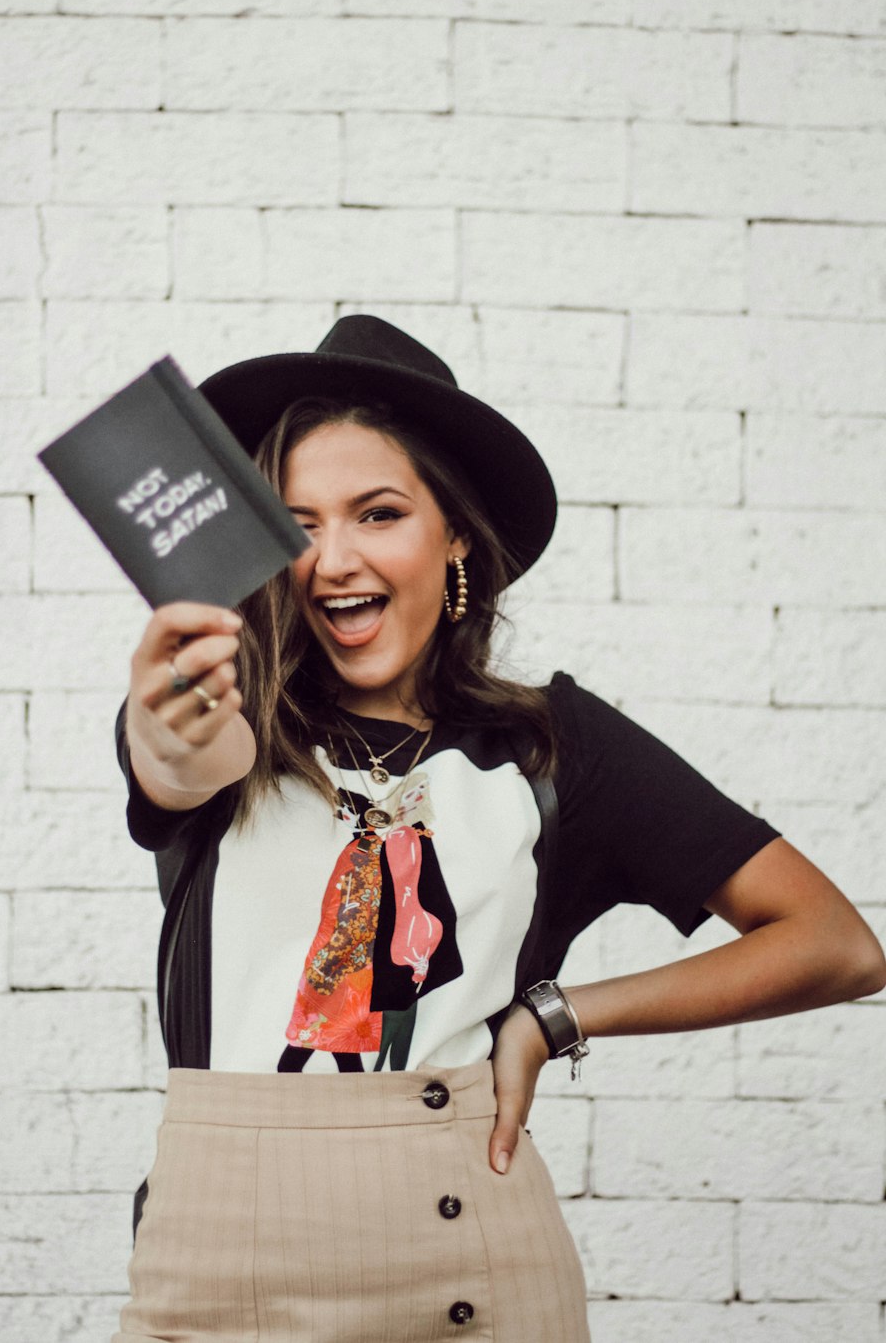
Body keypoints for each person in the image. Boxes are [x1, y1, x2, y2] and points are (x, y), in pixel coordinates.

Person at [112, 315, 885, 1343]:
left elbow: (834, 945)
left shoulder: (550, 744)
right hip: (217, 1263)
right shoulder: (223, 713)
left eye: (378, 514)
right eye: (297, 526)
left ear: (455, 538)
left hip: (472, 1255)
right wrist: (163, 718)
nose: (331, 559)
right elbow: (175, 766)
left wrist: (555, 1016)